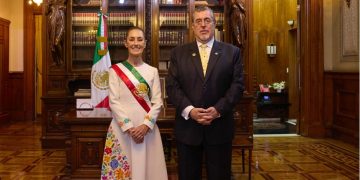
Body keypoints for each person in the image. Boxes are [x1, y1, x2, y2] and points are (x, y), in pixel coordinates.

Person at [166, 5, 244, 180]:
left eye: (207, 20)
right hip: (188, 130)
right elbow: (172, 87)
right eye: (198, 21)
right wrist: (190, 110)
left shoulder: (232, 53)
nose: (203, 25)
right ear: (192, 26)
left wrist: (218, 110)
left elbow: (237, 86)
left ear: (214, 24)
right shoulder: (178, 53)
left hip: (219, 128)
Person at [101, 27, 168, 180]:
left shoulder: (152, 71)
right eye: (131, 39)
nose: (135, 43)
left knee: (149, 170)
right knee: (123, 170)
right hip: (122, 128)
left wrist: (145, 126)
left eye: (139, 39)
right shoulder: (115, 70)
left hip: (147, 129)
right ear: (126, 43)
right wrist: (130, 128)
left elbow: (157, 102)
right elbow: (113, 101)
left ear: (144, 43)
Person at [46, 0, 66, 66]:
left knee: (56, 43)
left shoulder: (61, 5)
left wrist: (60, 33)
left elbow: (63, 23)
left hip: (59, 27)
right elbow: (46, 11)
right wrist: (48, 4)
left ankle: (62, 59)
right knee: (51, 44)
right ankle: (55, 61)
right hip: (52, 26)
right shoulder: (51, 3)